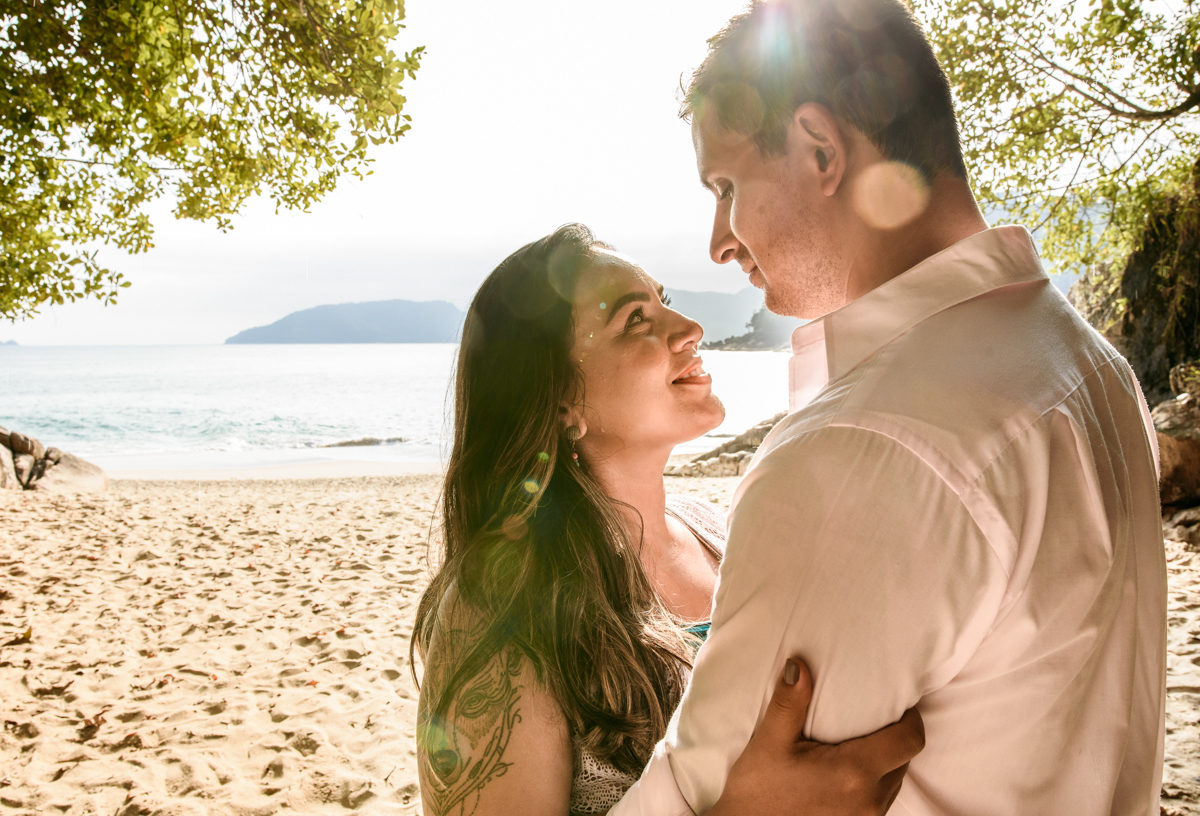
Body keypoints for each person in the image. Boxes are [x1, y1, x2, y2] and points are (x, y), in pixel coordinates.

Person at [609, 1, 1167, 815]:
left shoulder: (855, 450)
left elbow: (697, 791)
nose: (719, 241)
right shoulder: (1092, 365)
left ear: (820, 148)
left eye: (727, 186)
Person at [410, 224, 925, 816]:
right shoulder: (498, 610)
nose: (690, 329)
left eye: (665, 303)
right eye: (634, 319)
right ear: (560, 401)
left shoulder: (713, 530)